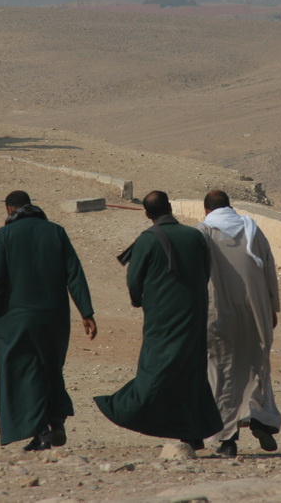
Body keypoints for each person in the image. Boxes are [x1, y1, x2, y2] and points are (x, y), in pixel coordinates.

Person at [94, 190, 223, 450]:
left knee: (156, 369)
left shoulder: (147, 240)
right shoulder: (195, 236)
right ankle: (193, 433)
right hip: (193, 316)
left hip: (161, 319)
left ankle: (124, 408)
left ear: (147, 213)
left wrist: (139, 301)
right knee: (191, 373)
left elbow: (133, 281)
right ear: (171, 207)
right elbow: (205, 272)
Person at [0, 190, 97, 452]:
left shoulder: (4, 235)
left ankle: (41, 430)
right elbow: (74, 272)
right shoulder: (55, 231)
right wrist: (86, 312)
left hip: (16, 319)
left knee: (22, 372)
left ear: (10, 210)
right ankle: (54, 421)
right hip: (54, 318)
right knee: (50, 368)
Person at [196, 190, 281, 457]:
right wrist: (272, 308)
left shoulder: (203, 232)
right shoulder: (251, 228)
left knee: (222, 372)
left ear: (207, 211)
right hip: (256, 310)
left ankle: (227, 439)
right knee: (257, 366)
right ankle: (261, 419)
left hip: (219, 313)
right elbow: (269, 268)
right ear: (229, 207)